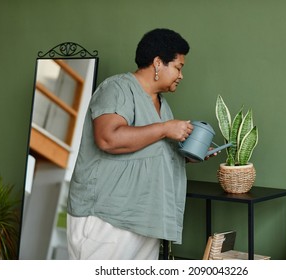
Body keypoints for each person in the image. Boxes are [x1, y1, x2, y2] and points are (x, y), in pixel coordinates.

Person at [66, 28, 199, 260]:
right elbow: (108, 138)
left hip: (146, 219)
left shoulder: (161, 104)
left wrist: (189, 154)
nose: (181, 75)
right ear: (158, 63)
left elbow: (150, 149)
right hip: (109, 219)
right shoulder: (116, 88)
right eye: (178, 67)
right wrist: (166, 128)